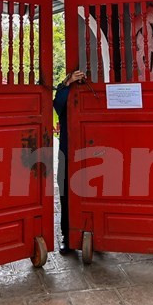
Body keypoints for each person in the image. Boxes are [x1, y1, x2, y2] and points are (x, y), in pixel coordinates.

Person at [53, 69, 85, 254]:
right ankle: (68, 236)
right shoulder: (63, 91)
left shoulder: (92, 91)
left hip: (90, 150)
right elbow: (57, 105)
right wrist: (67, 83)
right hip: (67, 150)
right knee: (66, 192)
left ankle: (91, 231)